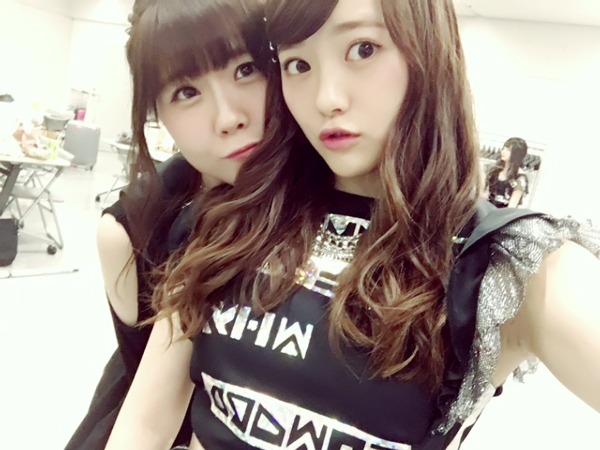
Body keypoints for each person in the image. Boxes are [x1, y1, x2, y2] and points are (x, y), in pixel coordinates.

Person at [107, 0, 600, 449]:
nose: (327, 98)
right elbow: (146, 424)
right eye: (298, 64)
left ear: (428, 47)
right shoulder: (234, 218)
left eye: (363, 49)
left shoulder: (503, 265)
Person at [65, 0, 269, 448]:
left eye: (246, 69)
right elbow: (151, 400)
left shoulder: (337, 186)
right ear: (156, 112)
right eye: (186, 92)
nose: (229, 117)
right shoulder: (131, 234)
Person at [485, 137, 529, 208]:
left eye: (508, 150)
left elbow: (512, 206)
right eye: (504, 148)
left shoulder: (520, 177)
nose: (503, 152)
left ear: (516, 154)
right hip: (487, 209)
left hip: (504, 212)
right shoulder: (495, 170)